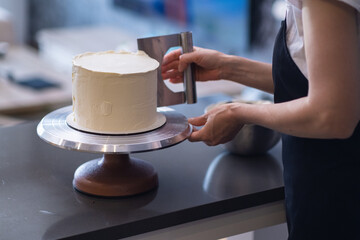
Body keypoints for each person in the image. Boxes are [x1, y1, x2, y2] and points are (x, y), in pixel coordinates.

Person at [161, 0, 360, 239]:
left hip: (338, 197)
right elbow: (315, 83)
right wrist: (226, 67)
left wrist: (238, 113)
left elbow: (332, 113)